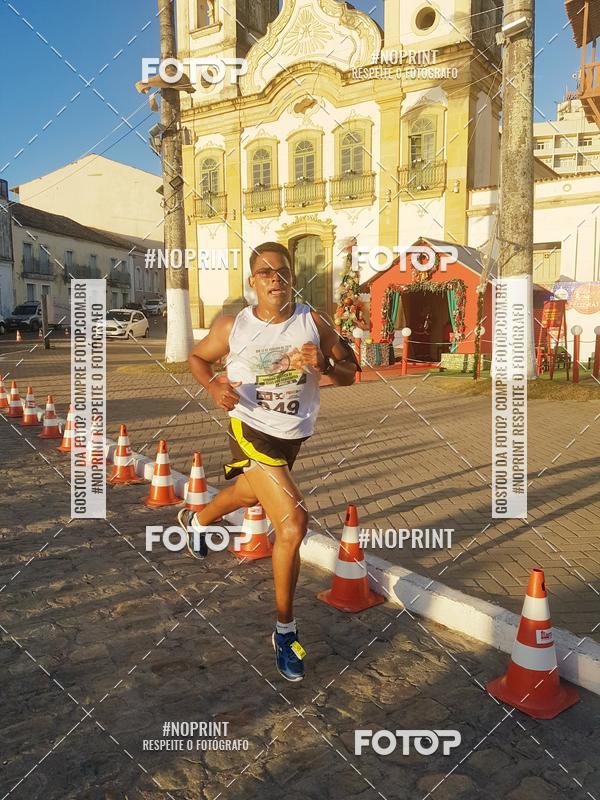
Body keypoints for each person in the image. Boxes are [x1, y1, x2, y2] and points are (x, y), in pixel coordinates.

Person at [185, 242, 359, 682]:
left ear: (291, 277)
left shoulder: (313, 322)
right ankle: (285, 630)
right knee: (293, 524)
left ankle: (198, 520)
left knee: (249, 494)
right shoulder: (233, 326)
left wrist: (324, 364)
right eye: (265, 273)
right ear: (252, 282)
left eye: (281, 272)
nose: (274, 280)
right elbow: (198, 358)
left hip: (293, 436)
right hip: (249, 430)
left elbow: (350, 371)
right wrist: (211, 388)